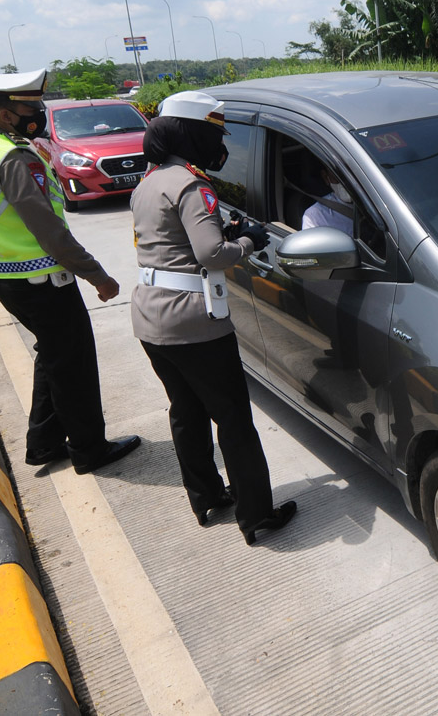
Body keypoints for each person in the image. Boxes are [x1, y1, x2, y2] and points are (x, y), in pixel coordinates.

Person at [0, 69, 140, 473]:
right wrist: (96, 274)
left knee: (53, 355)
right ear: (3, 115)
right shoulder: (13, 158)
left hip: (3, 275)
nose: (38, 114)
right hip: (43, 279)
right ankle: (90, 450)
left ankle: (43, 443)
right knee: (74, 366)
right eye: (29, 108)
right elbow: (49, 230)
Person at [130, 90, 296, 546]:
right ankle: (257, 514)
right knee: (234, 420)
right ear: (193, 133)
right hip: (194, 322)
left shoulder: (150, 180)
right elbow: (211, 254)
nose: (219, 143)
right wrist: (250, 241)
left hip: (150, 315)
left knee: (185, 412)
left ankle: (206, 499)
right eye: (214, 133)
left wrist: (226, 231)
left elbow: (171, 241)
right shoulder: (191, 184)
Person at [300, 166, 355, 234]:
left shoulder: (368, 200)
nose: (345, 182)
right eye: (338, 176)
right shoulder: (315, 215)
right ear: (326, 177)